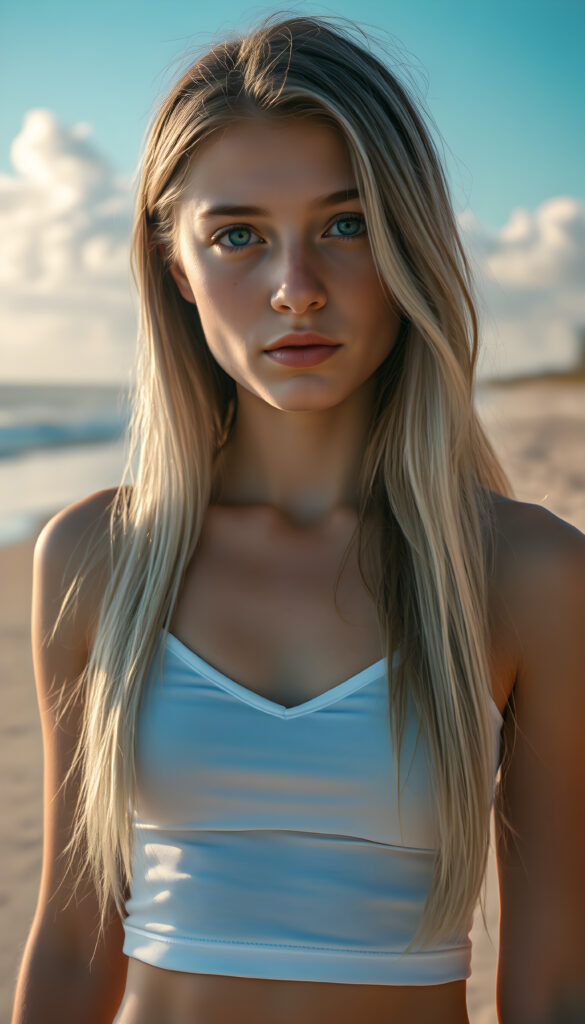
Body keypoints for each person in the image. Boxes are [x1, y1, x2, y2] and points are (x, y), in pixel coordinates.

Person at [11, 14, 585, 1024]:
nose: (295, 290)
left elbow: (554, 987)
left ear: (409, 241)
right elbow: (70, 944)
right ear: (177, 267)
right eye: (238, 235)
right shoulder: (98, 556)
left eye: (346, 224)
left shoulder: (526, 572)